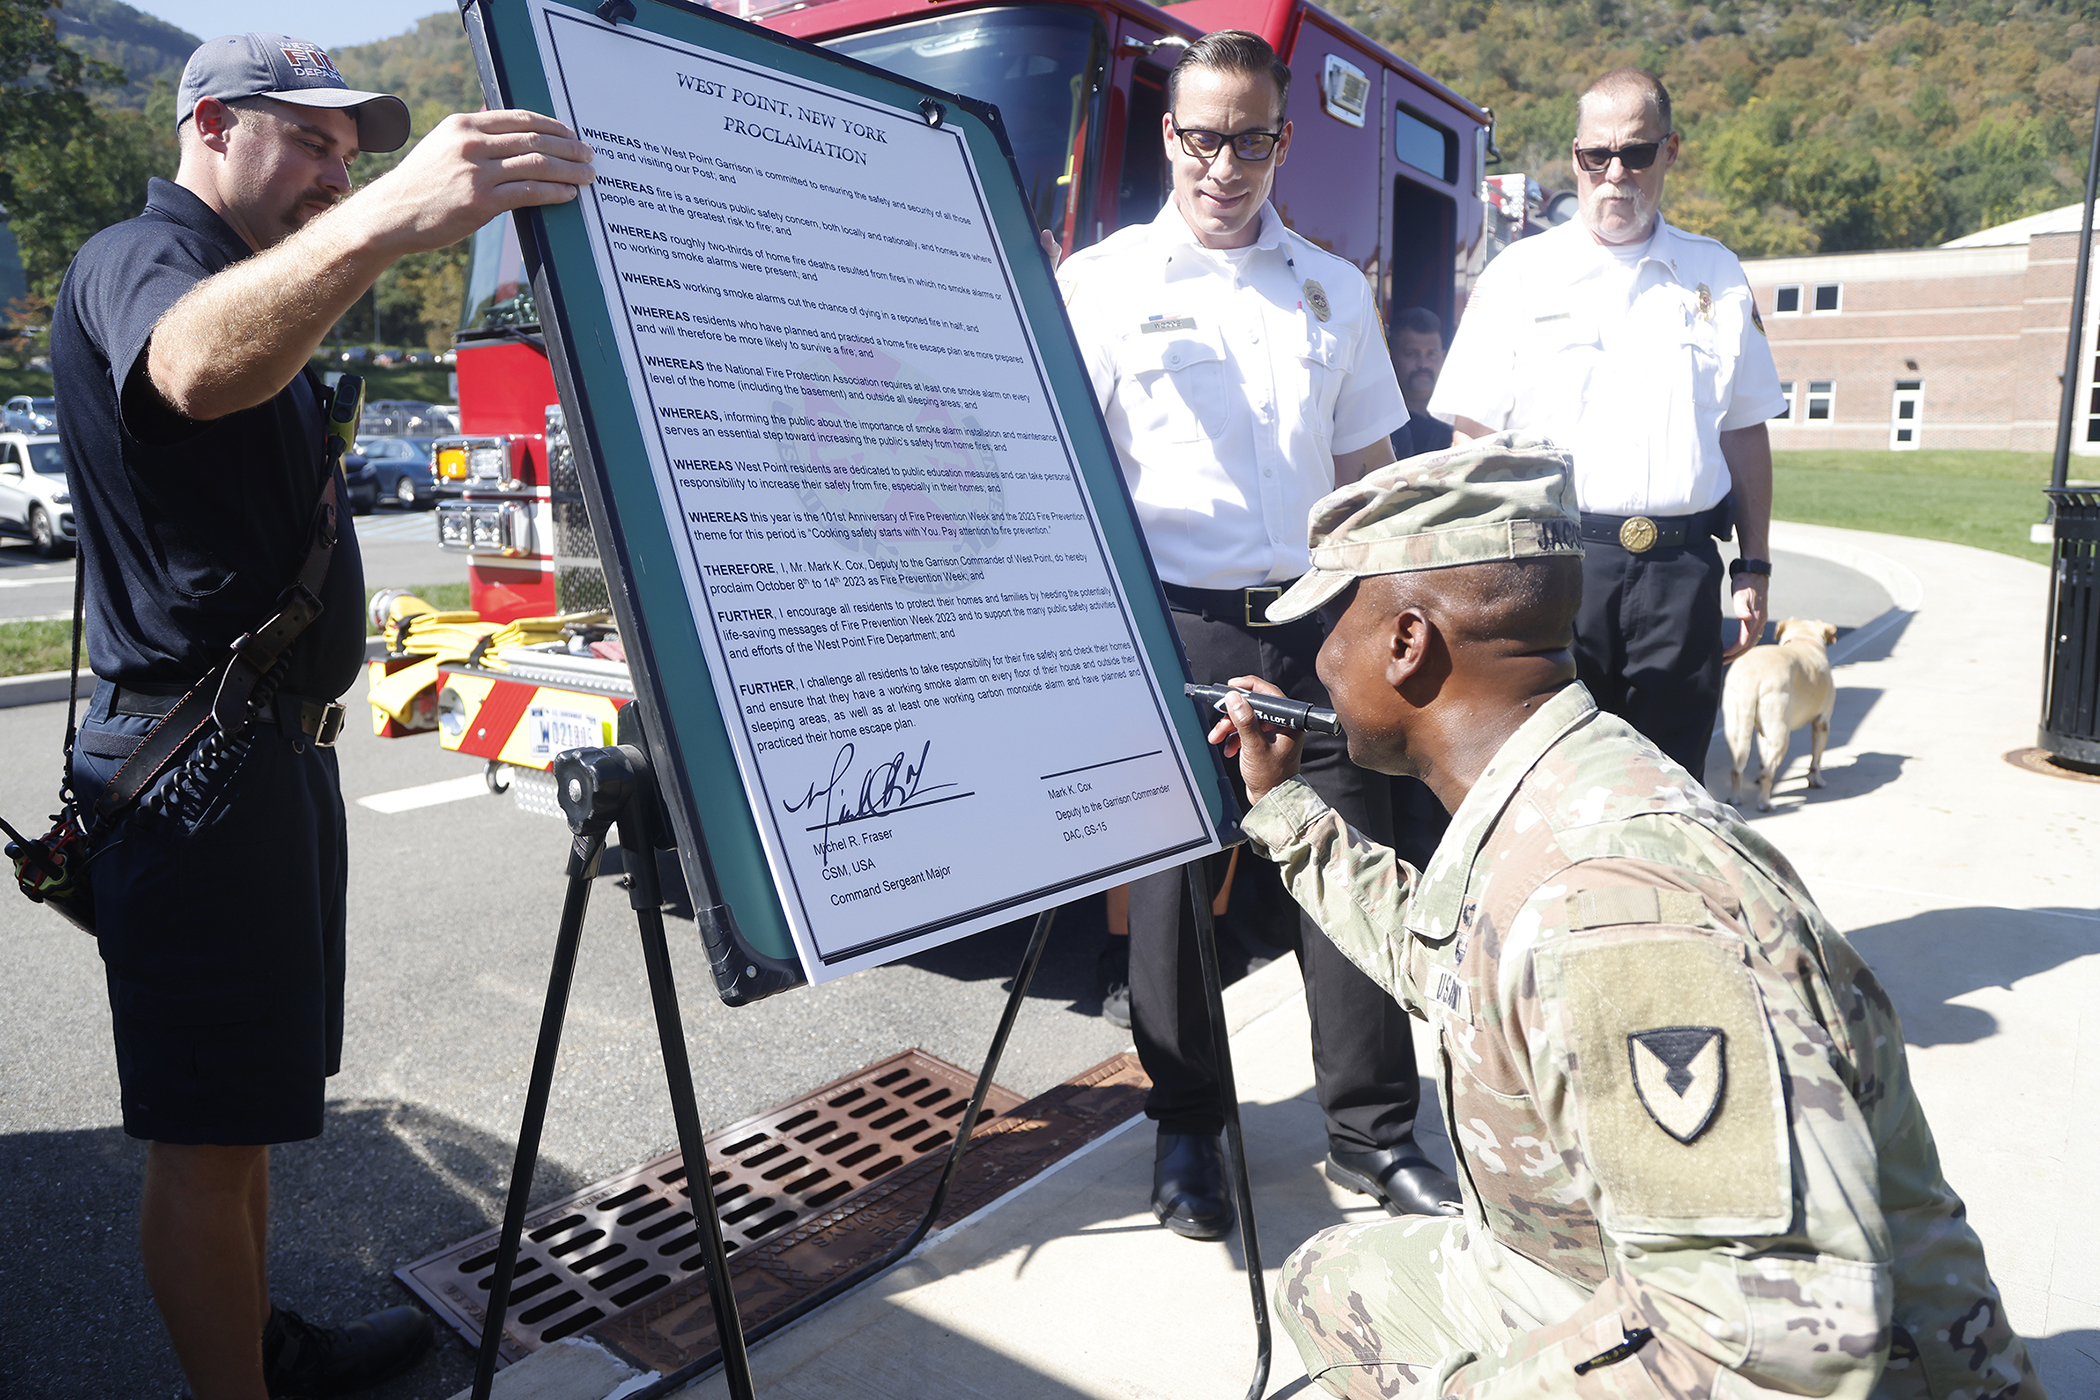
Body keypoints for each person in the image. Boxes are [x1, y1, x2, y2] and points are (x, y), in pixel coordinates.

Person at [1204, 436, 2043, 1399]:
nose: (1314, 661)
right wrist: (1285, 809)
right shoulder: (1554, 784)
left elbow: (1770, 1348)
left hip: (1782, 1353)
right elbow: (1452, 965)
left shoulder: (1610, 910)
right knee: (1334, 1281)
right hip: (1605, 1266)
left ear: (1406, 643)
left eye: (1329, 626)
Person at [51, 33, 593, 1400]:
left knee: (243, 1120)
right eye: (308, 143)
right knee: (207, 1137)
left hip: (250, 759)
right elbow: (184, 368)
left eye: (351, 159)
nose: (330, 174)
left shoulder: (252, 280)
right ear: (210, 124)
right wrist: (395, 211)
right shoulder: (142, 258)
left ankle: (258, 1346)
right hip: (195, 767)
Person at [1054, 29, 1459, 1240]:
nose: (1224, 162)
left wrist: (1392, 623)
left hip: (1314, 622)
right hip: (1170, 624)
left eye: (1250, 137)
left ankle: (1375, 1133)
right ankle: (1186, 1126)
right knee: (1173, 889)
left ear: (1283, 140)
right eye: (1201, 135)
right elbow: (1073, 470)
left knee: (1344, 867)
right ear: (1169, 136)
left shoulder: (1332, 288)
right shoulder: (1105, 284)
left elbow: (1367, 474)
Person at [1429, 69, 1783, 780]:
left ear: (1670, 151)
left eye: (1637, 153)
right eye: (1598, 156)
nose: (1615, 172)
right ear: (1575, 157)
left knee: (1670, 786)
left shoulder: (1716, 276)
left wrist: (1753, 566)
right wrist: (1467, 581)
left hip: (1679, 578)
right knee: (1550, 781)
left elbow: (1744, 432)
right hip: (1553, 569)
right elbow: (1471, 440)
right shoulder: (1519, 275)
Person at [1390, 308, 1450, 458]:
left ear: (1443, 357)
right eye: (1411, 354)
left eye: (1432, 354)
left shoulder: (1459, 421)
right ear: (1391, 357)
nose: (1423, 364)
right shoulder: (1380, 424)